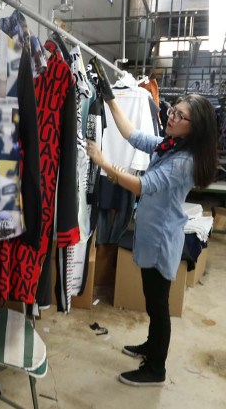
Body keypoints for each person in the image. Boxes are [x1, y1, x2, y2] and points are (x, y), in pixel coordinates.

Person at [86, 94, 217, 386]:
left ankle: (156, 369)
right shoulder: (169, 145)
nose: (172, 116)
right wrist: (110, 100)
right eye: (174, 111)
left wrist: (103, 163)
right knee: (152, 301)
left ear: (194, 128)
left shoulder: (184, 161)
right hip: (153, 232)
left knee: (159, 308)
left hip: (161, 240)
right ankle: (151, 347)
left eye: (180, 116)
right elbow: (132, 135)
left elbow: (143, 186)